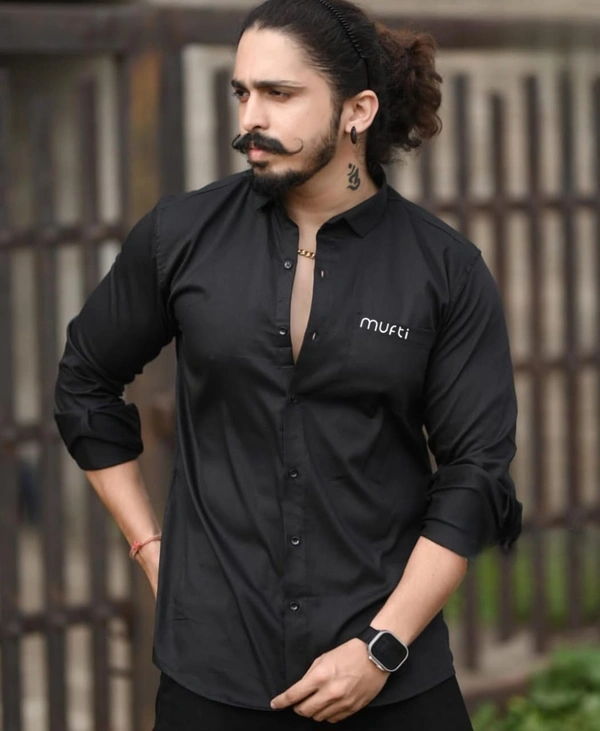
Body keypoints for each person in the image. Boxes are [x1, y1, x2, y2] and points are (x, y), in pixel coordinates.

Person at [54, 0, 522, 728]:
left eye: (278, 93)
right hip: (212, 673)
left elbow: (476, 473)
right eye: (242, 92)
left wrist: (381, 646)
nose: (251, 119)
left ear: (357, 110)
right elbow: (84, 381)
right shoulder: (181, 235)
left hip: (391, 674)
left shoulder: (444, 269)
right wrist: (150, 548)